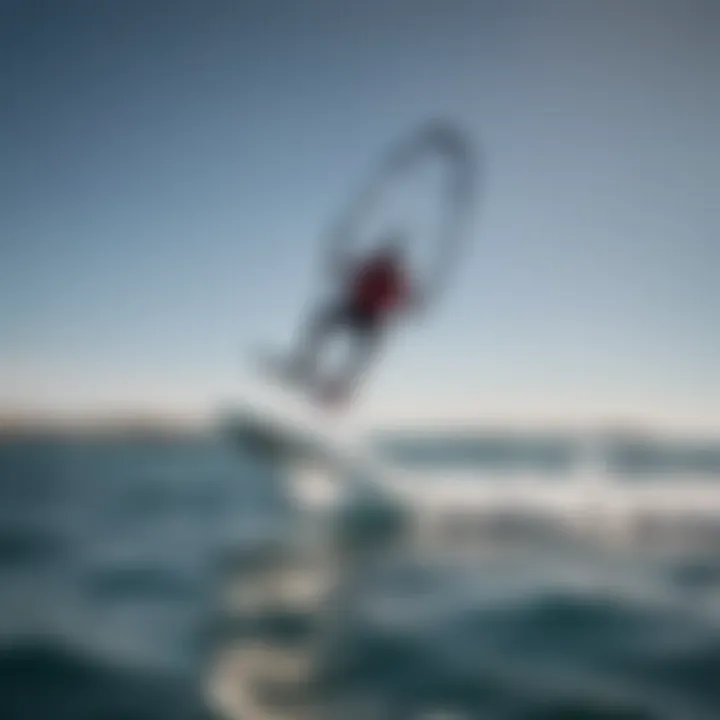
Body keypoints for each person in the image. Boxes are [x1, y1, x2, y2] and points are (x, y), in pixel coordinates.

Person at [287, 234, 417, 404]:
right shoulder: (370, 267)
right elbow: (348, 271)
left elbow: (404, 298)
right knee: (322, 323)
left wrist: (411, 302)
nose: (387, 261)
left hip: (370, 318)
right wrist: (338, 262)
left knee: (364, 350)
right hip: (352, 307)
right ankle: (303, 364)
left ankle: (342, 386)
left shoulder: (395, 278)